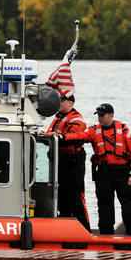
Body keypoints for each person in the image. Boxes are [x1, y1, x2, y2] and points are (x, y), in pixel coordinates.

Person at [75, 103, 131, 235]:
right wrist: (63, 137)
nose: (100, 118)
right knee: (104, 206)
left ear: (111, 115)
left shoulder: (124, 131)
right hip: (104, 172)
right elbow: (80, 137)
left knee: (128, 205)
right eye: (99, 115)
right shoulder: (94, 131)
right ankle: (106, 235)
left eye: (102, 115)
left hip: (123, 172)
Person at [44, 92, 91, 231]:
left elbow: (75, 136)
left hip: (73, 161)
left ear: (70, 103)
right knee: (61, 194)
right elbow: (50, 133)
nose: (60, 103)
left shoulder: (76, 119)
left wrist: (60, 137)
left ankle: (84, 228)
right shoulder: (58, 118)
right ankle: (65, 225)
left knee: (76, 195)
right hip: (60, 161)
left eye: (63, 101)